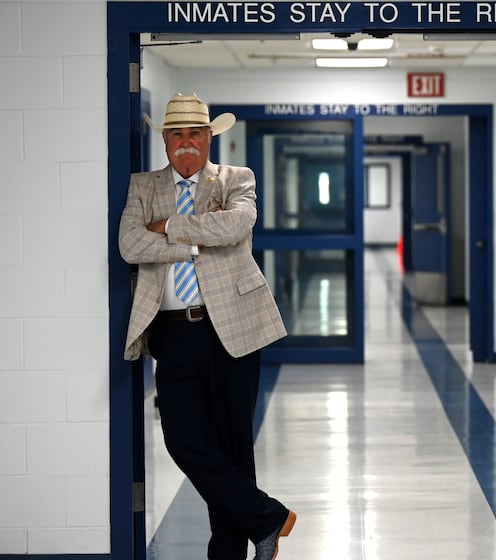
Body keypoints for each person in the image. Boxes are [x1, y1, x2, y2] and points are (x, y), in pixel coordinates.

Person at [119, 93, 296, 560]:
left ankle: (229, 551)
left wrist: (170, 227)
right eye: (175, 134)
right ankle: (267, 518)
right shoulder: (142, 186)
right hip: (173, 332)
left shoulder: (237, 179)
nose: (185, 144)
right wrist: (194, 243)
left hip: (233, 327)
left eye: (194, 133)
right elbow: (131, 245)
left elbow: (235, 227)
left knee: (232, 441)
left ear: (209, 137)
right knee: (183, 440)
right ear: (164, 139)